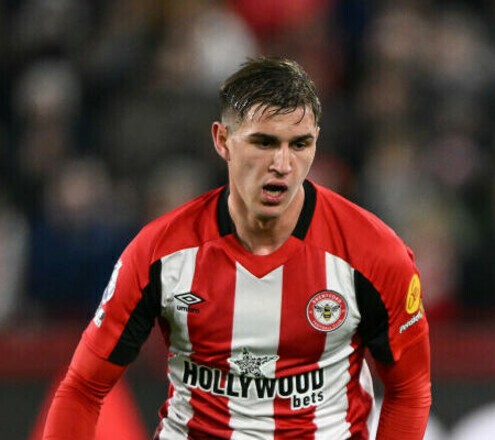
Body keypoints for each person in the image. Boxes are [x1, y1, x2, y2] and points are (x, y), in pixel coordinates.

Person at [43, 57, 431, 439]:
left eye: (300, 144)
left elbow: (409, 390)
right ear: (222, 140)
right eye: (264, 142)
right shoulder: (160, 253)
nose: (283, 164)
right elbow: (83, 387)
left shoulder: (372, 253)